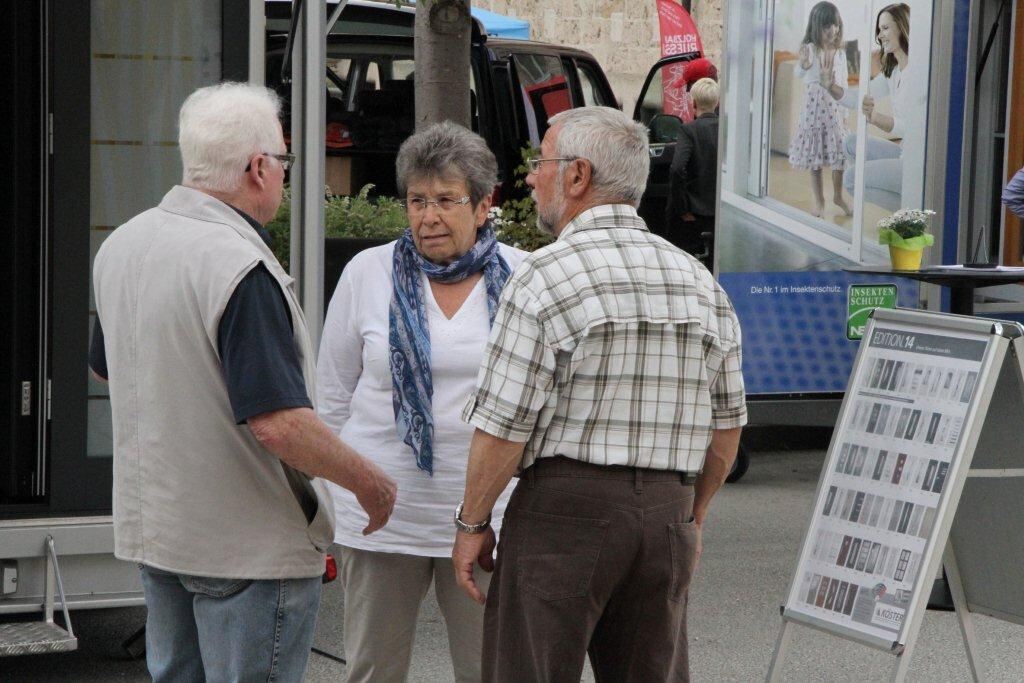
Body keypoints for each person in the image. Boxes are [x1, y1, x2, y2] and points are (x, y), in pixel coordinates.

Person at [89, 82, 397, 682]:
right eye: (282, 160)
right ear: (258, 168)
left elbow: (105, 365)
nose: (283, 173)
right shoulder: (239, 264)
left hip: (160, 534)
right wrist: (370, 483)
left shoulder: (123, 243)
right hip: (247, 548)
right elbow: (278, 423)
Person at [452, 106, 747, 681]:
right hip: (665, 513)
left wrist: (471, 524)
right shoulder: (699, 281)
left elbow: (503, 428)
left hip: (563, 513)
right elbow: (727, 427)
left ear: (578, 175)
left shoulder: (543, 276)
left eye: (541, 163)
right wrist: (693, 517)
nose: (532, 177)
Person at [316, 121, 526, 682]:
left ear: (484, 205)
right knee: (373, 671)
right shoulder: (368, 273)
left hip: (491, 517)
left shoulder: (526, 277)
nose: (427, 216)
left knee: (490, 670)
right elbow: (332, 397)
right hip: (383, 516)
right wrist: (332, 499)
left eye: (445, 200)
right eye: (416, 200)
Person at [843, 3, 919, 211]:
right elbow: (860, 96)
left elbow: (912, 127)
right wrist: (830, 87)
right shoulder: (893, 71)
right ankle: (910, 208)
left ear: (902, 27)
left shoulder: (918, 72)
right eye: (879, 29)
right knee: (850, 143)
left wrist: (875, 117)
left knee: (851, 178)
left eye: (885, 28)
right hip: (904, 151)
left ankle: (913, 213)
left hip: (916, 161)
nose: (880, 35)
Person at [788, 1, 852, 219]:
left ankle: (838, 195)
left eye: (834, 26)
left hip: (834, 107)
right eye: (826, 27)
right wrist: (803, 65)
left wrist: (845, 113)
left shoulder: (841, 54)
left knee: (840, 152)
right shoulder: (810, 50)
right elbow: (798, 72)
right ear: (816, 27)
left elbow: (843, 84)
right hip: (814, 108)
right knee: (815, 156)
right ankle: (819, 199)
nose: (831, 31)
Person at [666, 77, 722, 261]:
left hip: (694, 214)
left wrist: (682, 209)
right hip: (721, 212)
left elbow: (676, 169)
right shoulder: (726, 129)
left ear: (694, 103)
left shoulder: (688, 130)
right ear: (717, 102)